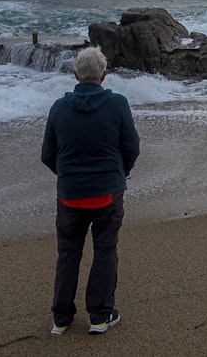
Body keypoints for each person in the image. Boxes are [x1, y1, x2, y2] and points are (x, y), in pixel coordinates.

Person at [41, 46, 140, 336]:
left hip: (70, 194)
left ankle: (61, 319)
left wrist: (69, 176)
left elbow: (48, 154)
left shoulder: (59, 107)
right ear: (104, 75)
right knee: (105, 250)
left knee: (68, 253)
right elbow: (132, 148)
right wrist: (120, 173)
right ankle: (100, 315)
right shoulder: (118, 104)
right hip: (108, 193)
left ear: (75, 75)